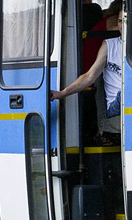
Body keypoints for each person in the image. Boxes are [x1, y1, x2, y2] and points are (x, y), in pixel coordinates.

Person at [52, 9, 124, 146]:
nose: (122, 25)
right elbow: (89, 76)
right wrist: (62, 93)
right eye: (120, 21)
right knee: (127, 91)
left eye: (126, 21)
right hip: (118, 104)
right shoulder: (109, 45)